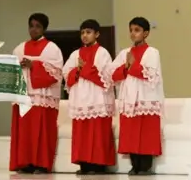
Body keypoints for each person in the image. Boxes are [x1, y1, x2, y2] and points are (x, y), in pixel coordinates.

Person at [9, 13, 63, 174]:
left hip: (42, 96)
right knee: (25, 132)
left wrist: (34, 65)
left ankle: (41, 164)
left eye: (38, 26)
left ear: (44, 29)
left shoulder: (52, 48)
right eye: (31, 25)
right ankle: (25, 163)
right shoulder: (19, 48)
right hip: (25, 96)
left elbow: (56, 74)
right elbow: (12, 70)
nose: (34, 29)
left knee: (41, 131)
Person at [110, 17, 163, 175]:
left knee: (146, 132)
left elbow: (151, 75)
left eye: (137, 30)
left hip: (146, 98)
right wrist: (126, 67)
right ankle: (135, 165)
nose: (133, 34)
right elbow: (113, 74)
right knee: (131, 132)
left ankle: (145, 166)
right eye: (131, 30)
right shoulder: (124, 53)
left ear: (146, 33)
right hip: (129, 98)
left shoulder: (152, 52)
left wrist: (133, 65)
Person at [62, 19, 116, 175]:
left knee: (98, 132)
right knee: (82, 133)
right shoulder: (75, 54)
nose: (85, 36)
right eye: (82, 32)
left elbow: (106, 76)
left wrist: (83, 69)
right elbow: (67, 74)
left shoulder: (102, 52)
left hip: (98, 98)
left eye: (88, 32)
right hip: (80, 99)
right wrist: (78, 71)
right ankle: (84, 165)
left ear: (97, 34)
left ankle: (98, 165)